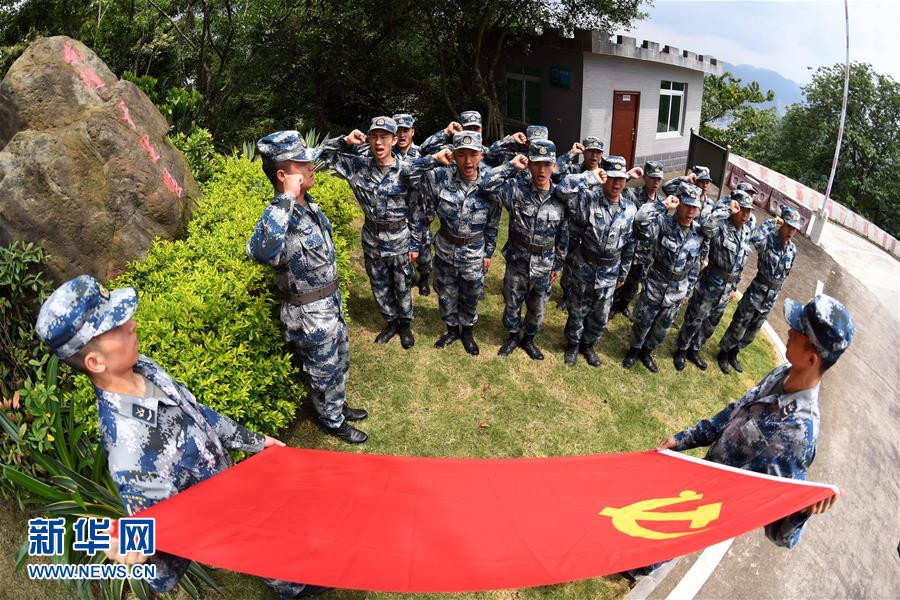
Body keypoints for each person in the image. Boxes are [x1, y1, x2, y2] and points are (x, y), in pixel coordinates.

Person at [34, 275, 327, 598]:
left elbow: (197, 412)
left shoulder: (142, 369)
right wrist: (132, 546)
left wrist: (255, 442)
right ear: (95, 361)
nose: (131, 324)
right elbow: (157, 531)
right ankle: (296, 587)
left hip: (234, 489)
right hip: (225, 523)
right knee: (270, 556)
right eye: (116, 326)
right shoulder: (129, 452)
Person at [658, 294, 853, 547]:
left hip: (708, 513)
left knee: (657, 545)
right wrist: (683, 439)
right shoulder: (783, 374)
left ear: (811, 359)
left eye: (799, 331)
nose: (790, 330)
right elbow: (734, 413)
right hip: (700, 478)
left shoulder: (797, 433)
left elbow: (779, 532)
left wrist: (803, 510)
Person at [247, 130, 367, 444]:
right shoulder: (279, 217)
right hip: (309, 315)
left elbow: (320, 157)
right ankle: (332, 421)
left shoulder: (308, 205)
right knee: (323, 370)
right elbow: (260, 252)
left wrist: (343, 143)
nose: (310, 166)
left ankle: (338, 405)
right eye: (302, 164)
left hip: (330, 303)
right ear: (284, 176)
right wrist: (285, 197)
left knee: (340, 359)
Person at [319, 117, 417, 348]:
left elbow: (417, 210)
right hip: (372, 237)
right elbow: (323, 157)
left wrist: (416, 244)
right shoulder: (358, 166)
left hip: (399, 237)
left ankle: (405, 326)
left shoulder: (407, 170)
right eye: (374, 136)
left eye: (384, 137)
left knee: (402, 283)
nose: (379, 143)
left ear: (394, 140)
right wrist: (345, 141)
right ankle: (390, 322)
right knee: (379, 283)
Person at [402, 131, 500, 354]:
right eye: (461, 154)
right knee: (446, 293)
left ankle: (467, 332)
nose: (467, 161)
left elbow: (493, 223)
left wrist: (488, 253)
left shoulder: (489, 183)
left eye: (473, 154)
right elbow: (407, 173)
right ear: (453, 155)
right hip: (446, 248)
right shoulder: (440, 178)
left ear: (481, 154)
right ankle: (451, 330)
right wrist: (434, 159)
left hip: (474, 251)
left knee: (471, 294)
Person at [622, 182, 731, 373]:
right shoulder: (664, 223)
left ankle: (647, 352)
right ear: (679, 204)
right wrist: (662, 204)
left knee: (662, 327)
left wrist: (688, 290)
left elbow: (696, 264)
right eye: (687, 205)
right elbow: (640, 220)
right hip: (656, 283)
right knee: (644, 321)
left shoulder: (699, 233)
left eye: (695, 207)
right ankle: (634, 350)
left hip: (678, 289)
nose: (691, 212)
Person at [481, 139, 569, 359]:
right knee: (512, 302)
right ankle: (512, 337)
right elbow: (486, 185)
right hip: (518, 260)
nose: (542, 169)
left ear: (554, 166)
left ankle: (529, 339)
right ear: (529, 165)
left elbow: (564, 234)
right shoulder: (516, 191)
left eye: (547, 164)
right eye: (537, 163)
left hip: (544, 262)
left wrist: (557, 265)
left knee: (538, 307)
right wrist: (511, 166)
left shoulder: (560, 197)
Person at [558, 155, 635, 367]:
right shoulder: (588, 199)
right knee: (578, 309)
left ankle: (588, 345)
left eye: (621, 179)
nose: (616, 183)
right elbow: (562, 190)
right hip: (586, 266)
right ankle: (573, 345)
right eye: (611, 178)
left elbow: (629, 244)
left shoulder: (629, 209)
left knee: (601, 314)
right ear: (604, 178)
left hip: (611, 270)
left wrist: (623, 273)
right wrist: (589, 177)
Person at [673, 190, 757, 371]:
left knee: (711, 323)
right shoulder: (721, 225)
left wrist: (735, 286)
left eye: (748, 211)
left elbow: (741, 262)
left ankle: (695, 349)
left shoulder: (747, 232)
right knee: (695, 318)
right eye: (742, 210)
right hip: (711, 282)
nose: (745, 215)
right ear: (735, 208)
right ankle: (681, 349)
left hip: (727, 288)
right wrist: (727, 210)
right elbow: (705, 226)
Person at [717, 206, 802, 373]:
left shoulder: (792, 250)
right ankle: (724, 353)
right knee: (739, 324)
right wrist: (771, 223)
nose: (792, 231)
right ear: (782, 224)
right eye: (789, 226)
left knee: (752, 331)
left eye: (795, 228)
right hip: (757, 292)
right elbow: (755, 238)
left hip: (771, 297)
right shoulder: (768, 239)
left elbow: (786, 273)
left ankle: (735, 352)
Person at [610, 160, 666, 319]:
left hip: (645, 252)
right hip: (627, 247)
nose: (655, 182)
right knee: (619, 278)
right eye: (652, 178)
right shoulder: (631, 194)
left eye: (659, 179)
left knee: (634, 282)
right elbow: (616, 188)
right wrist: (627, 175)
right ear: (645, 177)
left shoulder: (662, 203)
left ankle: (624, 305)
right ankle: (612, 305)